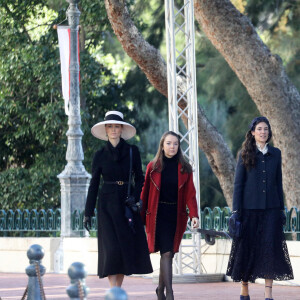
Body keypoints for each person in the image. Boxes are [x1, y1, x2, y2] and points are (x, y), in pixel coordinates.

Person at [226, 116, 293, 300]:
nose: (263, 132)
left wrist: (281, 209)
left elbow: (278, 184)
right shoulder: (244, 153)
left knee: (270, 249)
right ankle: (244, 289)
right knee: (247, 249)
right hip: (249, 211)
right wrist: (236, 212)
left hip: (271, 211)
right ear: (253, 132)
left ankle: (268, 294)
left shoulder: (276, 153)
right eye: (260, 129)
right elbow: (238, 185)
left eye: (266, 129)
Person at [83, 110, 153, 287]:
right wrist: (88, 212)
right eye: (110, 126)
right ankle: (114, 292)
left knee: (122, 250)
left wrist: (135, 198)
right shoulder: (99, 155)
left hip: (125, 205)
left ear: (122, 129)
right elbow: (93, 184)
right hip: (106, 205)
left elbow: (140, 178)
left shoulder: (132, 151)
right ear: (106, 130)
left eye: (117, 126)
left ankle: (116, 291)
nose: (113, 130)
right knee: (111, 251)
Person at [140, 131, 199, 300]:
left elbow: (190, 194)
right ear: (162, 145)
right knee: (166, 253)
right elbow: (145, 192)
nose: (172, 147)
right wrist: (141, 216)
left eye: (175, 144)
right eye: (168, 143)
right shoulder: (153, 167)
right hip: (157, 215)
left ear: (179, 146)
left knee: (168, 253)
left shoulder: (185, 168)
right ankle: (170, 294)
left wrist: (194, 215)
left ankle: (160, 290)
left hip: (175, 215)